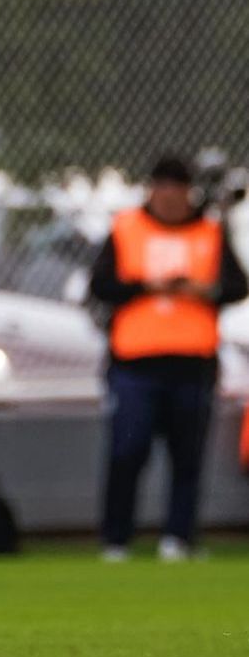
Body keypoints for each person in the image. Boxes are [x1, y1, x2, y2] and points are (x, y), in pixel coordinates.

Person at [89, 154, 247, 561]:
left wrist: (203, 290)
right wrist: (146, 286)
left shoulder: (209, 231)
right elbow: (100, 285)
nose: (170, 197)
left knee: (187, 456)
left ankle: (179, 538)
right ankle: (116, 539)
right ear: (152, 190)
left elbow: (236, 285)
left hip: (193, 363)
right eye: (163, 188)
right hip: (135, 363)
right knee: (128, 450)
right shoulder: (127, 228)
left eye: (178, 188)